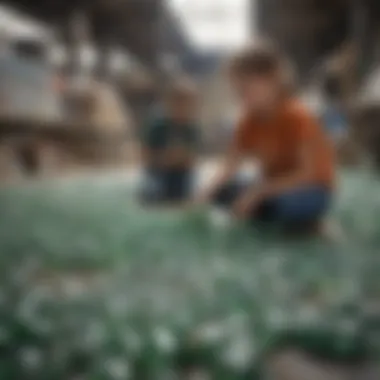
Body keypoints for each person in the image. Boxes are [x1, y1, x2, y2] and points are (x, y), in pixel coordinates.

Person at [196, 43, 336, 234]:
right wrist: (205, 193)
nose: (241, 96)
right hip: (271, 185)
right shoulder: (248, 121)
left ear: (274, 80)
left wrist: (259, 192)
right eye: (238, 91)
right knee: (222, 191)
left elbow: (308, 173)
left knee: (282, 206)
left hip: (310, 189)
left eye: (246, 89)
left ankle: (312, 223)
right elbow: (230, 165)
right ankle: (264, 211)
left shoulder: (298, 116)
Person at [139, 78, 200, 205]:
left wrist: (183, 160)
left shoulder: (191, 128)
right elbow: (146, 156)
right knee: (152, 194)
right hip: (158, 171)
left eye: (188, 105)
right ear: (169, 104)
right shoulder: (158, 126)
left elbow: (192, 158)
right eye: (179, 104)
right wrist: (166, 159)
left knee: (188, 193)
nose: (183, 110)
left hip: (181, 173)